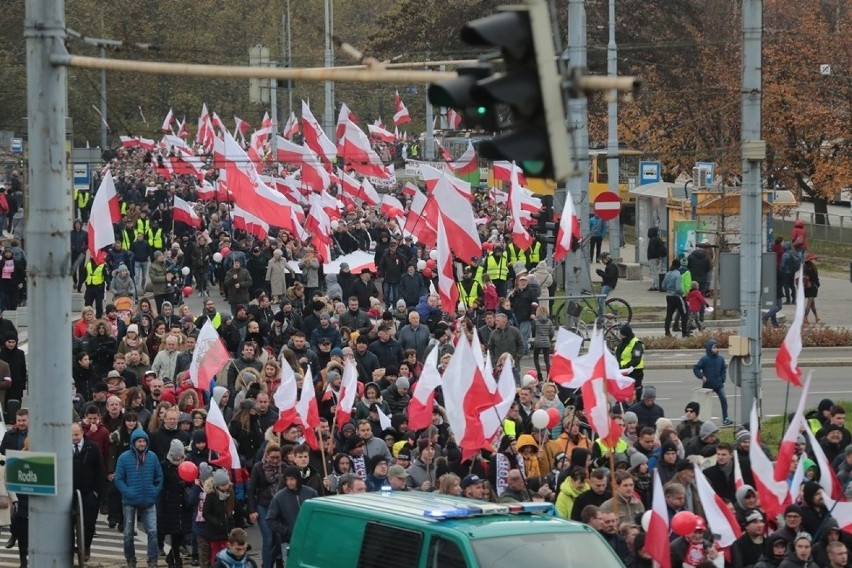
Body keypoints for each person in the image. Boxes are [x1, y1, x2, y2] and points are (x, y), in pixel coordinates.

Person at [114, 429, 164, 568]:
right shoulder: (124, 458)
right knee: (128, 533)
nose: (142, 444)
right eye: (139, 441)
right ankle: (130, 559)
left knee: (153, 531)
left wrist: (154, 492)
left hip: (149, 500)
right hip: (130, 500)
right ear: (133, 442)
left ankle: (152, 560)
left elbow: (159, 478)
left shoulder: (152, 457)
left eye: (144, 441)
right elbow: (118, 479)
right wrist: (128, 492)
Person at [267, 465, 318, 561]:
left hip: (310, 540)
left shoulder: (311, 493)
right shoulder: (279, 497)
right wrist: (286, 530)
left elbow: (318, 516)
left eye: (292, 479)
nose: (289, 482)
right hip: (289, 541)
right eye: (287, 479)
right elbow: (270, 519)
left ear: (298, 479)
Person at [72, 422, 105, 562]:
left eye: (76, 434)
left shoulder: (92, 448)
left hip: (89, 492)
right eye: (71, 435)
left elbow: (100, 471)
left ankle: (86, 546)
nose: (74, 438)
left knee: (89, 523)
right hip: (69, 492)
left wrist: (97, 492)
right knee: (68, 523)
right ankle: (70, 549)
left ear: (82, 433)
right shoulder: (63, 448)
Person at [693, 339, 731, 426]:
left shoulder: (720, 359)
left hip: (718, 384)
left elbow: (723, 369)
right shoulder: (704, 359)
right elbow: (696, 368)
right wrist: (701, 376)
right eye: (714, 347)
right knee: (702, 403)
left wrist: (722, 379)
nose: (716, 349)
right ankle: (699, 419)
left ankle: (725, 418)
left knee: (724, 399)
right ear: (709, 348)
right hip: (707, 384)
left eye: (717, 347)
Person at [662, 260, 688, 337]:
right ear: (679, 266)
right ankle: (684, 332)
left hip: (669, 296)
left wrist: (669, 289)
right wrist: (682, 293)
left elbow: (663, 286)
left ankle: (667, 332)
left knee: (669, 315)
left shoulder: (667, 274)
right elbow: (678, 288)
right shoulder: (678, 274)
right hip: (677, 297)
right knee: (684, 313)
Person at [595, 252, 619, 324]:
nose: (602, 261)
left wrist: (601, 273)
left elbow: (610, 276)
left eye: (603, 260)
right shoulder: (609, 266)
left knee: (601, 300)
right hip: (606, 284)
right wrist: (601, 272)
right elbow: (607, 275)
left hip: (609, 285)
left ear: (607, 258)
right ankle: (599, 317)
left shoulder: (611, 266)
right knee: (599, 300)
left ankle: (601, 318)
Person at [646, 226, 668, 291]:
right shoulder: (658, 239)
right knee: (655, 272)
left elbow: (653, 250)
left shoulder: (652, 240)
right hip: (658, 258)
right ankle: (654, 285)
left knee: (654, 272)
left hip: (653, 258)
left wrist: (652, 255)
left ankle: (656, 286)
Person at [803, 253, 820, 325]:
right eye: (814, 259)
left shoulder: (804, 266)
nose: (815, 260)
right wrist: (818, 284)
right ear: (810, 260)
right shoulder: (813, 267)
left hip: (806, 286)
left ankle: (816, 316)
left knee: (812, 303)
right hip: (813, 286)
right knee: (809, 303)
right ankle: (805, 316)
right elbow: (815, 278)